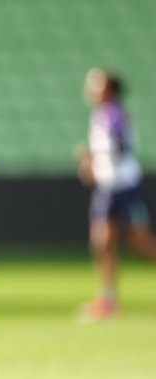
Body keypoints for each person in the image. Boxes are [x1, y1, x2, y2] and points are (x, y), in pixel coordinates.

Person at [77, 67, 156, 322]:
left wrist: (96, 162)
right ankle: (108, 299)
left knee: (141, 243)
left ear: (109, 89)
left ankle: (109, 299)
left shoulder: (114, 115)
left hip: (125, 186)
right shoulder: (101, 115)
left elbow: (120, 146)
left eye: (96, 83)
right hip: (109, 188)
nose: (90, 88)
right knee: (103, 242)